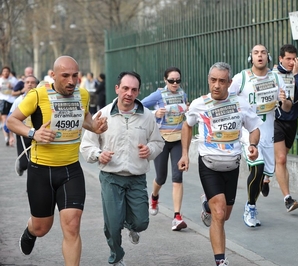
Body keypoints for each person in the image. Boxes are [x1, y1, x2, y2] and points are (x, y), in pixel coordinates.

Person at [6, 56, 108, 265]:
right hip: (40, 171)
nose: (72, 81)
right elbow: (12, 121)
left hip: (71, 170)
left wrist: (94, 127)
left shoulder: (83, 94)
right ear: (53, 76)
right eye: (66, 76)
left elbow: (85, 117)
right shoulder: (37, 95)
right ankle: (31, 230)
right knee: (42, 227)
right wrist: (33, 133)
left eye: (75, 75)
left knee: (72, 225)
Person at [177, 62, 263, 266]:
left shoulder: (241, 104)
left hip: (232, 165)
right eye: (213, 80)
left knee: (225, 215)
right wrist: (184, 155)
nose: (216, 85)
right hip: (209, 164)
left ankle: (206, 204)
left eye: (221, 81)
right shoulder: (199, 104)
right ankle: (221, 261)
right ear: (209, 80)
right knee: (219, 212)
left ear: (229, 83)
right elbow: (187, 126)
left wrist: (252, 145)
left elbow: (255, 128)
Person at [80, 71, 164, 266]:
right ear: (117, 89)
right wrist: (98, 154)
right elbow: (86, 145)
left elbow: (158, 142)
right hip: (111, 177)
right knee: (112, 223)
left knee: (142, 222)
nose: (129, 93)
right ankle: (116, 256)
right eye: (125, 88)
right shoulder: (103, 114)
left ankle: (130, 224)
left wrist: (149, 149)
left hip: (136, 177)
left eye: (133, 90)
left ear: (138, 92)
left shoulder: (147, 116)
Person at [228, 44, 290, 227]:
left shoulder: (276, 77)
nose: (259, 56)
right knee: (257, 165)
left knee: (264, 170)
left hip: (269, 129)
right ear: (251, 58)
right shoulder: (242, 78)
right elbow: (226, 96)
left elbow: (287, 108)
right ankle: (251, 207)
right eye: (256, 53)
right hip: (249, 130)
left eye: (263, 52)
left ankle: (262, 183)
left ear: (268, 56)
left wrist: (284, 100)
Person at [141, 67, 189, 231]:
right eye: (171, 81)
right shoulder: (159, 95)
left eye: (177, 80)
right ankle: (154, 197)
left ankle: (177, 216)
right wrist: (155, 112)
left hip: (177, 140)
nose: (175, 83)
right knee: (161, 177)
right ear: (165, 80)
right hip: (161, 140)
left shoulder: (183, 94)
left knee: (178, 177)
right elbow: (139, 106)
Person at [273, 44, 298, 212]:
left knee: (282, 158)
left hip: (292, 120)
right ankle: (288, 198)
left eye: (293, 59)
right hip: (275, 120)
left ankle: (268, 175)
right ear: (280, 58)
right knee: (281, 159)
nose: (290, 62)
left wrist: (296, 74)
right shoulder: (273, 74)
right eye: (287, 59)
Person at [7, 75, 39, 176]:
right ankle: (21, 166)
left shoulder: (41, 100)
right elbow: (10, 120)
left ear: (37, 85)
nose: (30, 84)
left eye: (32, 82)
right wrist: (11, 136)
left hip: (37, 133)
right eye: (27, 82)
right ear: (24, 85)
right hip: (22, 133)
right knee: (25, 164)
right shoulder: (18, 101)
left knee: (35, 163)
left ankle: (31, 186)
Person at [0, 66, 18, 146]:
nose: (5, 73)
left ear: (9, 72)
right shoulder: (0, 80)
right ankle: (6, 137)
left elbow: (18, 88)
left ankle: (11, 136)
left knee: (10, 119)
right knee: (4, 119)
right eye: (4, 71)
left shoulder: (13, 80)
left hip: (11, 101)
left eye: (7, 71)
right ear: (2, 72)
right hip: (3, 100)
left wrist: (12, 87)